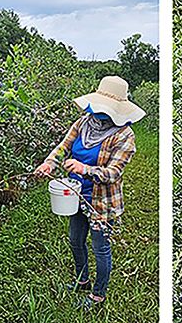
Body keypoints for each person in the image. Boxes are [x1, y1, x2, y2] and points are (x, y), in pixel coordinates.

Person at [35, 76, 145, 308]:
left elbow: (113, 172)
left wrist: (85, 169)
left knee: (100, 247)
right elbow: (63, 146)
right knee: (75, 240)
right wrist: (49, 163)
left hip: (102, 203)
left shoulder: (124, 136)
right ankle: (82, 280)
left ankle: (98, 295)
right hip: (76, 195)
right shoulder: (84, 122)